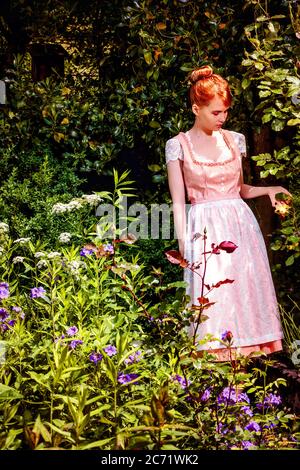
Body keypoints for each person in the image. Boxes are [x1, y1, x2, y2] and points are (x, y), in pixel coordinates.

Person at [165, 65, 292, 361]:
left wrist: (269, 189)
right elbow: (177, 200)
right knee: (213, 300)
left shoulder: (234, 140)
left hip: (239, 226)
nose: (222, 118)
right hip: (204, 227)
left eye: (225, 112)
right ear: (196, 108)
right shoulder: (178, 145)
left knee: (242, 298)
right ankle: (212, 386)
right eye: (216, 112)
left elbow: (239, 189)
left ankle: (242, 385)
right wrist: (185, 244)